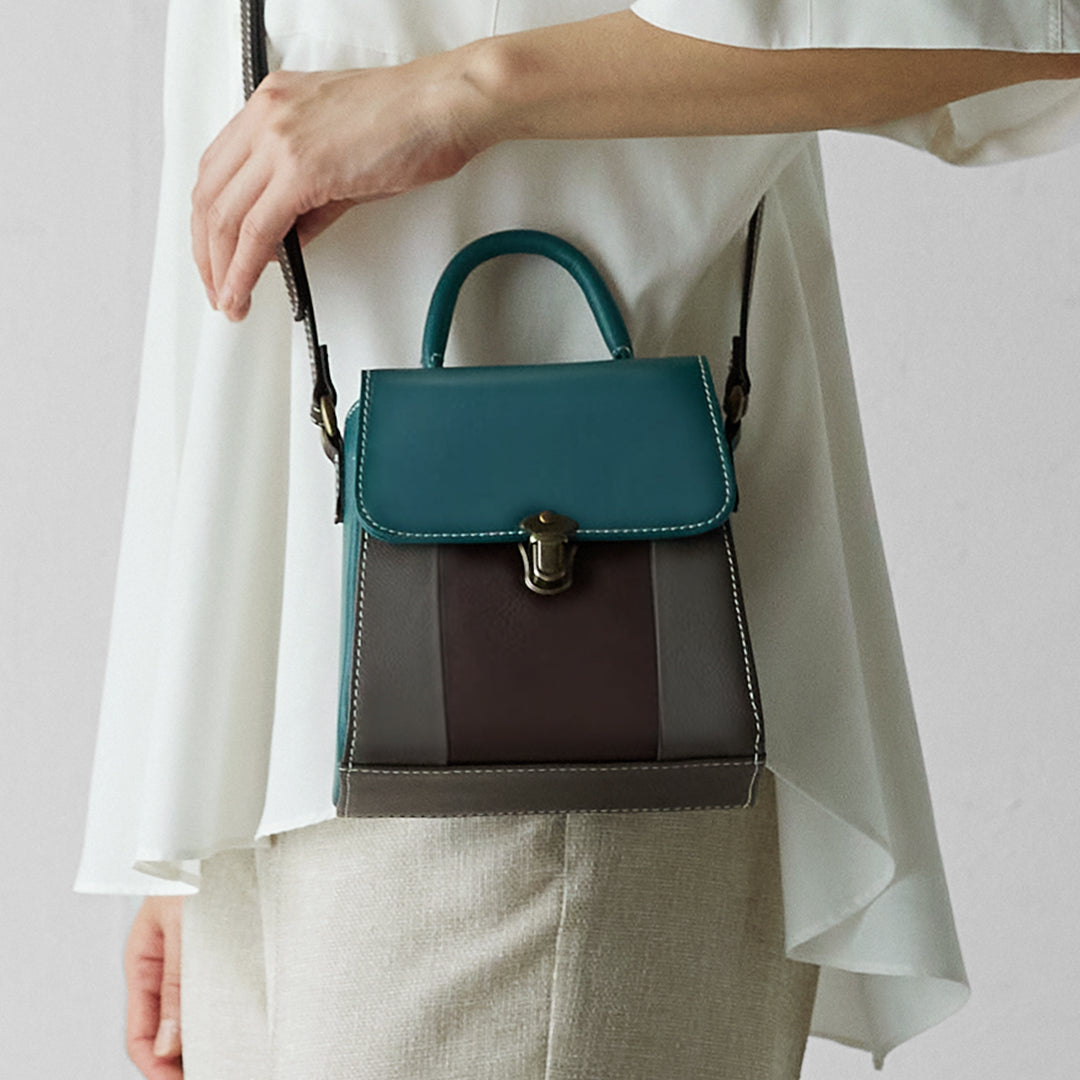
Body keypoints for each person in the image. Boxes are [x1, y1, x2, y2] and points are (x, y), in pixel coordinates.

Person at [77, 2, 1080, 1077]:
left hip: (554, 708)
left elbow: (1020, 26)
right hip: (280, 743)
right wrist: (186, 804)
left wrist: (470, 92)